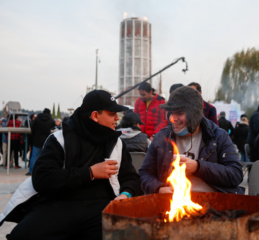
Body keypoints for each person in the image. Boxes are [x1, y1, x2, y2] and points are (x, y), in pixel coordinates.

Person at [3, 90, 142, 240]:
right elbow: (41, 178)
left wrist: (125, 194)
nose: (117, 119)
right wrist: (90, 173)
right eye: (112, 114)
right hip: (59, 204)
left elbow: (131, 178)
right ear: (95, 115)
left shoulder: (117, 143)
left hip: (103, 207)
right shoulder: (60, 139)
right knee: (22, 235)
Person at [139, 86, 244, 195]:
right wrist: (159, 188)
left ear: (195, 114)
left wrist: (198, 167)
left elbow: (235, 174)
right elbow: (145, 173)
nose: (172, 119)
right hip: (173, 206)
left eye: (179, 113)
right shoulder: (162, 137)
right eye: (171, 113)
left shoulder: (218, 136)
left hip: (212, 204)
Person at [28, 108, 55, 175]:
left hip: (37, 140)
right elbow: (53, 127)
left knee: (34, 156)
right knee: (45, 157)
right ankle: (43, 171)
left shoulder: (37, 119)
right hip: (46, 141)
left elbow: (33, 129)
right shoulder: (51, 120)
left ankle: (31, 171)